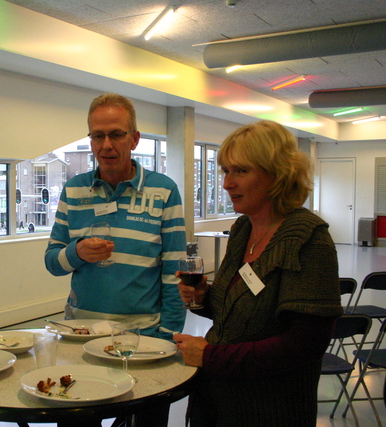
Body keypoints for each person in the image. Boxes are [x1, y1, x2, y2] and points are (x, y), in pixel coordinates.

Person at [174, 120, 343, 426]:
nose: (226, 183)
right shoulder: (243, 230)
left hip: (269, 409)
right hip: (215, 400)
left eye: (240, 171)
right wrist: (203, 297)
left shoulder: (308, 240)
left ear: (277, 174)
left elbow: (305, 345)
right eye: (225, 171)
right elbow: (241, 314)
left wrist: (210, 356)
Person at [45, 92, 187, 339]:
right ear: (91, 141)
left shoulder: (164, 190)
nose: (106, 144)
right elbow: (52, 263)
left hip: (142, 334)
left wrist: (168, 334)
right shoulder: (74, 190)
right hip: (81, 331)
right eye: (98, 136)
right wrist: (76, 252)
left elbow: (175, 272)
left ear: (134, 139)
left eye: (116, 134)